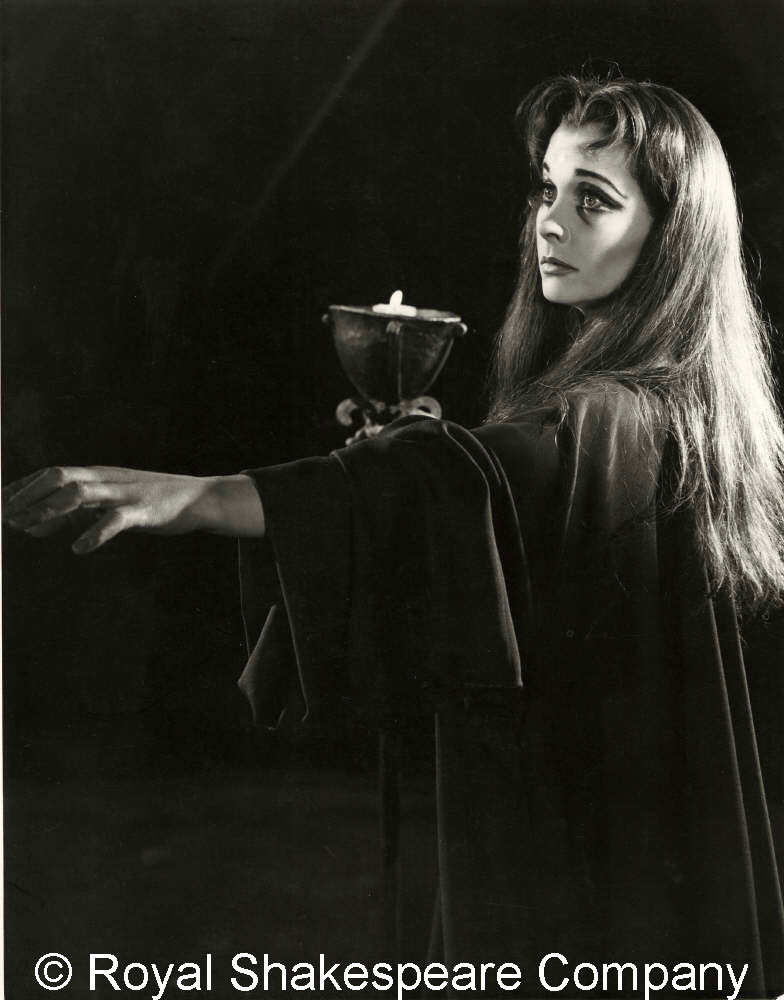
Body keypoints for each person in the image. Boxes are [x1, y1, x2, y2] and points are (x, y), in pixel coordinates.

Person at [4, 75, 784, 996]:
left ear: (671, 237)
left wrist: (198, 497)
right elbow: (494, 489)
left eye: (594, 200)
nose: (550, 221)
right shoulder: (682, 407)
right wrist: (419, 453)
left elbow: (478, 478)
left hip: (585, 850)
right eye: (547, 187)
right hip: (633, 840)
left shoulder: (616, 413)